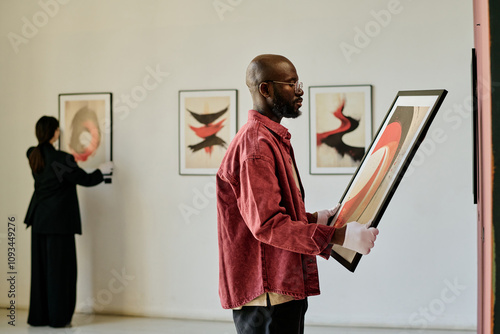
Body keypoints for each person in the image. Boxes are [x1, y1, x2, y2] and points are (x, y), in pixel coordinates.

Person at [216, 54, 379, 334]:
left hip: (278, 289)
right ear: (265, 89)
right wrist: (340, 237)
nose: (300, 90)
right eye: (291, 84)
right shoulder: (256, 148)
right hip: (266, 295)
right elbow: (267, 225)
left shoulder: (270, 139)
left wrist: (317, 218)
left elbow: (269, 211)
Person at [24, 115, 113, 328]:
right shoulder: (62, 160)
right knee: (60, 272)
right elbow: (86, 179)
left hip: (38, 220)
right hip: (59, 224)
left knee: (41, 272)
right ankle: (58, 318)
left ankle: (39, 317)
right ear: (55, 132)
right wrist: (103, 171)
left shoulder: (32, 154)